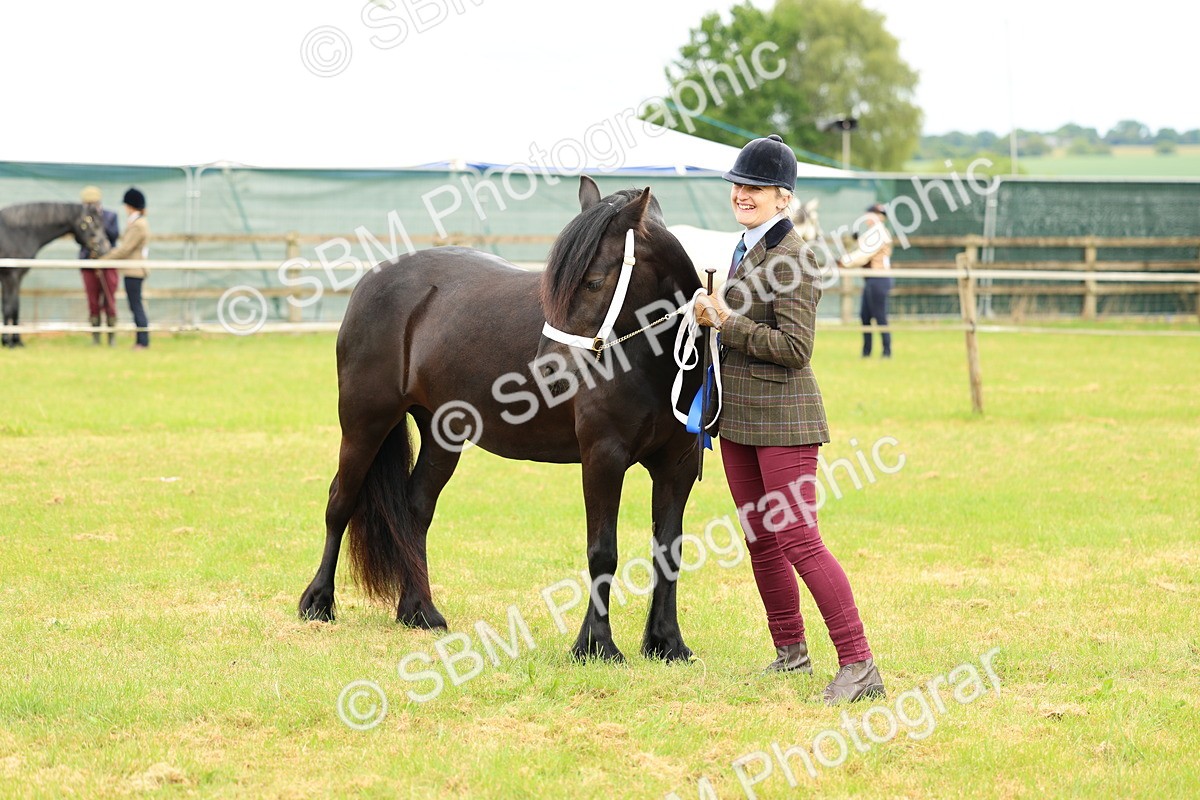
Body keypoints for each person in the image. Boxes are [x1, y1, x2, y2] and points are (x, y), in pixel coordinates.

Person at [695, 134, 885, 705]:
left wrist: (725, 322)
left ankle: (859, 663)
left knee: (799, 539)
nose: (743, 194)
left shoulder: (795, 257)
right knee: (760, 539)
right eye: (738, 185)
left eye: (755, 187)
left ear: (783, 197)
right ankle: (791, 651)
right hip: (740, 419)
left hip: (785, 420)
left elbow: (795, 347)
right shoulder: (741, 249)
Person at [840, 204, 894, 358]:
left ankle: (886, 351)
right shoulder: (875, 233)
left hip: (879, 278)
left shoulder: (879, 233)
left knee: (880, 316)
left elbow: (864, 255)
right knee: (865, 316)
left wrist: (844, 261)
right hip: (871, 279)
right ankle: (867, 352)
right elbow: (864, 247)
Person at [100, 188, 151, 349]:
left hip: (134, 271)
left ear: (130, 206)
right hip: (133, 270)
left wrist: (103, 259)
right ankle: (141, 340)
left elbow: (125, 249)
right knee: (135, 305)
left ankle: (142, 341)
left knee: (136, 306)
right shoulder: (137, 223)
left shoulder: (138, 225)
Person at [78, 186, 121, 345]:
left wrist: (98, 221)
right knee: (93, 301)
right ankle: (95, 337)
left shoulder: (110, 216)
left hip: (108, 263)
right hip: (88, 263)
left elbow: (114, 235)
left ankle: (111, 337)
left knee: (109, 299)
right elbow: (79, 239)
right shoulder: (81, 219)